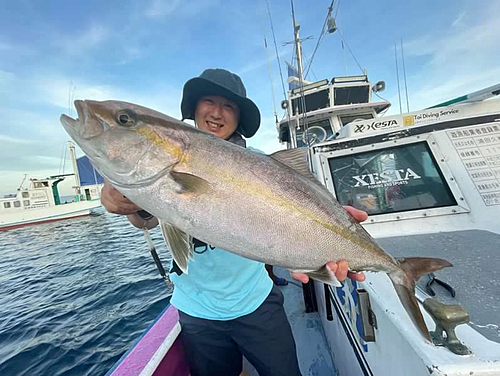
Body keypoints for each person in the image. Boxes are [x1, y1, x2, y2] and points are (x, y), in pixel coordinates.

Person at [101, 68, 367, 376]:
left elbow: (295, 212)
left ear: (239, 117)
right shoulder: (167, 156)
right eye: (209, 101)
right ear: (194, 107)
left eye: (229, 106)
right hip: (196, 310)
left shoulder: (261, 165)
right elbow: (145, 220)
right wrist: (125, 202)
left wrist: (328, 231)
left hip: (256, 303)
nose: (217, 113)